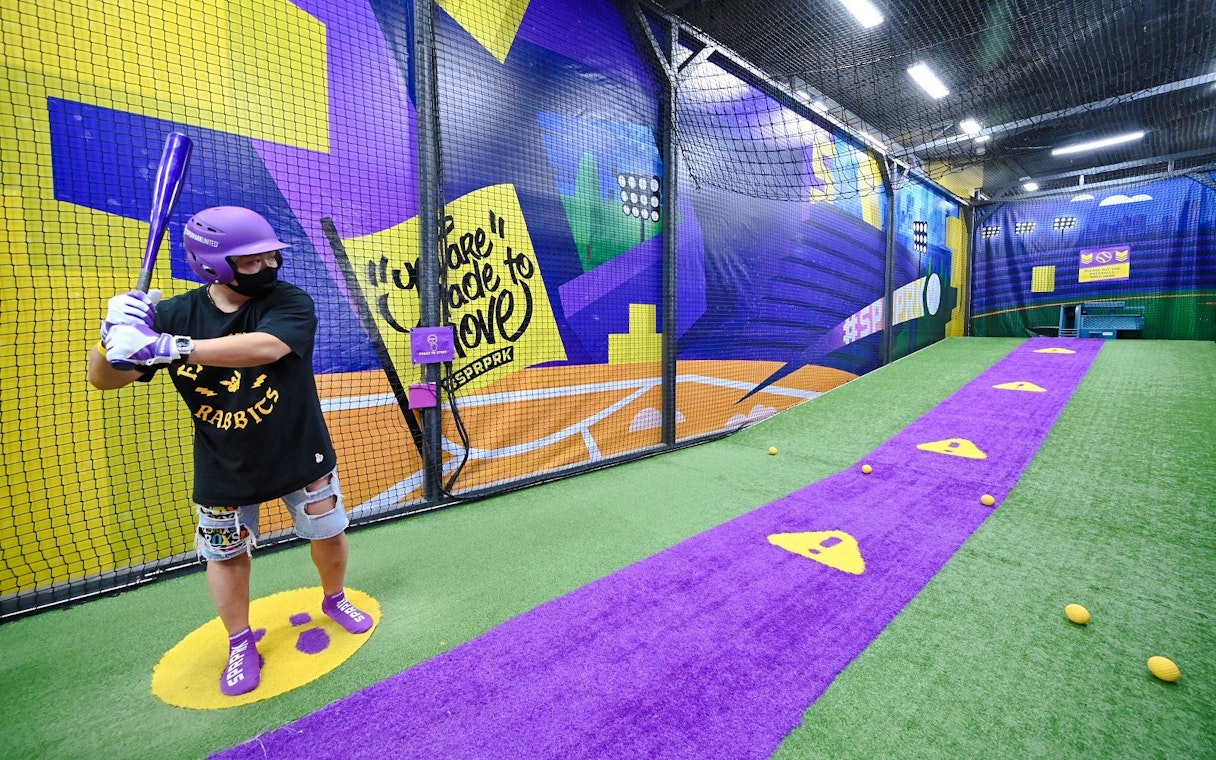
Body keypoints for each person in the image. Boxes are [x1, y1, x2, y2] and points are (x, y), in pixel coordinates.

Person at [87, 206, 373, 697]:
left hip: (299, 451)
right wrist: (113, 336)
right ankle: (240, 642)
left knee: (328, 531)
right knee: (225, 555)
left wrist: (167, 347)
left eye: (270, 258)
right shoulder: (175, 315)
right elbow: (104, 378)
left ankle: (334, 597)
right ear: (212, 265)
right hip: (225, 463)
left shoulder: (289, 302)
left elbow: (264, 348)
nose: (267, 269)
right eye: (250, 262)